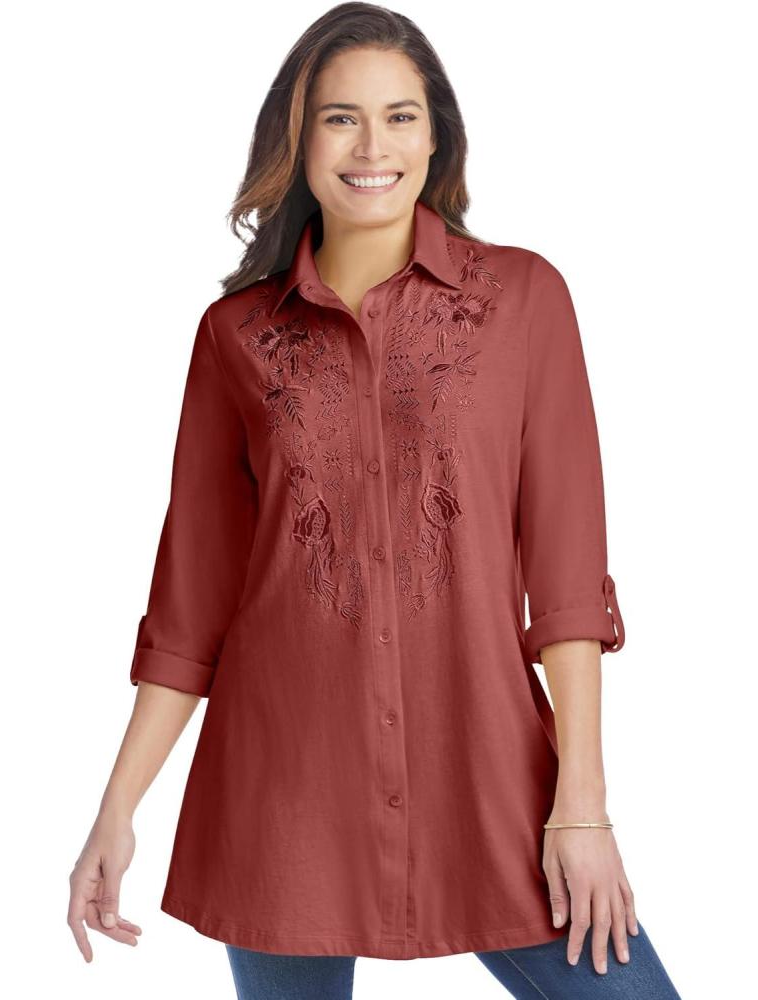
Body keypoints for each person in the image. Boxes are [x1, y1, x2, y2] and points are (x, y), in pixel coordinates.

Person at [68, 4, 682, 998]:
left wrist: (581, 802)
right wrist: (116, 810)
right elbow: (192, 603)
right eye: (339, 118)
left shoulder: (523, 300)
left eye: (399, 117)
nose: (371, 147)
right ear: (298, 140)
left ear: (436, 138)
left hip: (486, 774)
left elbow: (567, 576)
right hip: (284, 793)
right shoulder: (234, 337)